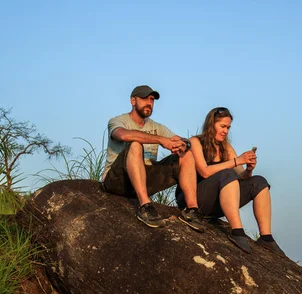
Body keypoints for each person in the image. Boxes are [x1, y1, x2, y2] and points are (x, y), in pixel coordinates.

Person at [176, 107, 285, 255]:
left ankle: (266, 237)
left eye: (228, 127)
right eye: (222, 126)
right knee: (227, 174)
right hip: (196, 197)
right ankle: (237, 231)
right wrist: (236, 161)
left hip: (217, 201)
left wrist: (249, 169)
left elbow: (241, 176)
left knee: (259, 182)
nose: (226, 131)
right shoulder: (196, 141)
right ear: (211, 125)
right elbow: (204, 171)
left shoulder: (225, 147)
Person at [100, 85, 206, 231]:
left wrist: (183, 144)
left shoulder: (158, 127)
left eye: (152, 99)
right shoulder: (117, 120)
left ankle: (192, 211)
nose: (149, 102)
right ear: (133, 100)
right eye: (144, 98)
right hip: (118, 180)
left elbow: (181, 140)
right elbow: (123, 135)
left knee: (186, 154)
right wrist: (161, 140)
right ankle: (145, 207)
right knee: (135, 144)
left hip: (144, 179)